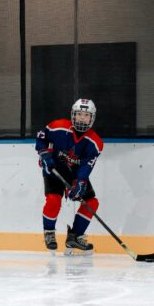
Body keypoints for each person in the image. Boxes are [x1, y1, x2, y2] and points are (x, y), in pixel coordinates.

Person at [35, 98, 103, 255]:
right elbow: (41, 137)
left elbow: (86, 166)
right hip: (54, 169)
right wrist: (44, 153)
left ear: (92, 118)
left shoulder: (95, 142)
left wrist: (80, 183)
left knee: (91, 203)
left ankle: (75, 236)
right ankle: (49, 232)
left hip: (74, 174)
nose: (81, 118)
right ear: (73, 115)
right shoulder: (58, 126)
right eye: (79, 114)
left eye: (86, 115)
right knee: (53, 200)